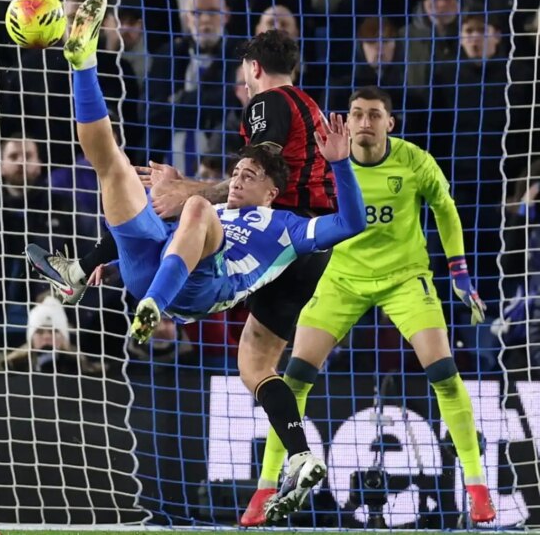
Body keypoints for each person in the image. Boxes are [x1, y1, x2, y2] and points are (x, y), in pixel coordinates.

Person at [31, 26, 343, 516]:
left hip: (272, 233)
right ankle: (300, 455)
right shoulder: (310, 106)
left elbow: (259, 171)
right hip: (305, 249)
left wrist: (190, 190)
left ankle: (126, 289)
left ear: (253, 68)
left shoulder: (267, 103)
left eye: (245, 75)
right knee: (257, 368)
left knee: (154, 193)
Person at [251, 87, 495, 524]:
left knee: (444, 373)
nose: (365, 121)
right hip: (341, 279)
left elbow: (445, 209)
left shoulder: (414, 161)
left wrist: (459, 272)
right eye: (357, 114)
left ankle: (477, 488)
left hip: (405, 279)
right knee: (295, 377)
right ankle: (265, 488)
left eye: (374, 114)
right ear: (346, 121)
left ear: (389, 123)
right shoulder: (328, 162)